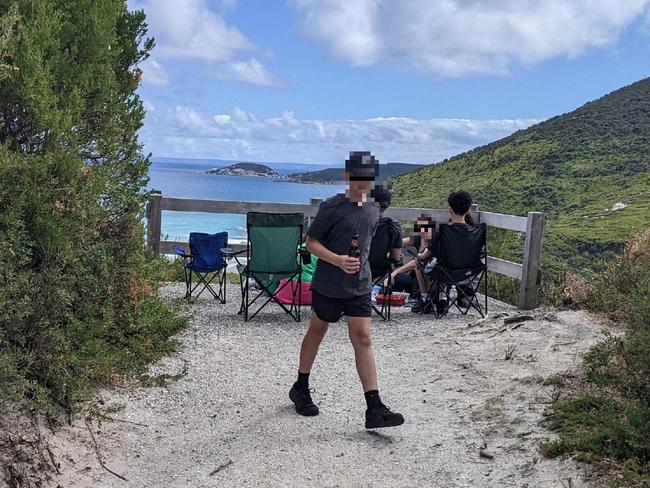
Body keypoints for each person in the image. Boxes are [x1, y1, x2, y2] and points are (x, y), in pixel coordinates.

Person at [289, 151, 405, 429]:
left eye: (367, 177)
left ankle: (374, 407)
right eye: (357, 176)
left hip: (360, 285)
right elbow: (311, 243)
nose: (362, 182)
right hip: (329, 282)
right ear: (347, 176)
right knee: (317, 331)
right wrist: (338, 260)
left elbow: (365, 246)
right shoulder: (332, 206)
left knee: (363, 338)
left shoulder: (374, 209)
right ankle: (300, 387)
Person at [411, 191, 477, 313]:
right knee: (444, 264)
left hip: (446, 272)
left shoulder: (443, 232)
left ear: (449, 210)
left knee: (420, 262)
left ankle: (426, 299)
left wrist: (419, 255)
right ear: (468, 210)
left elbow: (426, 255)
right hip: (469, 272)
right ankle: (442, 299)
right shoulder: (475, 232)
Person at [368, 186, 402, 280]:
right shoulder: (393, 225)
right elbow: (396, 257)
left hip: (354, 271)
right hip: (379, 274)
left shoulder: (358, 223)